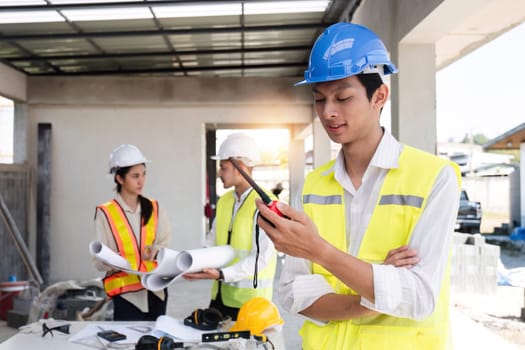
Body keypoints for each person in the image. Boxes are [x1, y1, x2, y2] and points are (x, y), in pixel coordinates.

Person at [255, 22, 461, 349]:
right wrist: (371, 293)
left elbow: (419, 297)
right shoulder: (312, 186)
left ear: (379, 95)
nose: (329, 112)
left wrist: (317, 250)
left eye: (343, 97)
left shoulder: (435, 177)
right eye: (319, 99)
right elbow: (295, 293)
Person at [183, 133, 278, 321]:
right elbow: (212, 239)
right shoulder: (226, 201)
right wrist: (196, 263)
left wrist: (221, 274)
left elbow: (262, 259)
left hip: (250, 303)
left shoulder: (266, 206)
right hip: (219, 296)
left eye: (223, 167)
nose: (218, 173)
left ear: (240, 168)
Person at [93, 144, 171, 321]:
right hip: (126, 296)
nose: (141, 181)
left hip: (156, 291)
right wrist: (114, 261)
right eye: (135, 176)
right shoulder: (105, 212)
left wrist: (157, 251)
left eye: (144, 174)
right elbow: (98, 260)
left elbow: (164, 244)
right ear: (120, 178)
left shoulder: (155, 208)